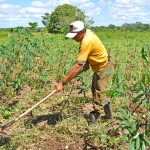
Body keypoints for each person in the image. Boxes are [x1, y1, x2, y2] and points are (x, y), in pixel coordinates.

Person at [55, 21, 114, 124]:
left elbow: (78, 66)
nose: (73, 38)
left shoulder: (86, 42)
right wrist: (87, 62)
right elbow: (91, 51)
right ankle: (109, 116)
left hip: (103, 67)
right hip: (99, 66)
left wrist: (63, 83)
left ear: (81, 32)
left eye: (75, 36)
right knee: (97, 90)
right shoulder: (88, 32)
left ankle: (94, 125)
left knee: (98, 94)